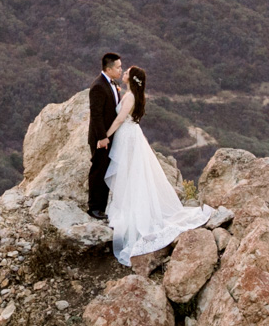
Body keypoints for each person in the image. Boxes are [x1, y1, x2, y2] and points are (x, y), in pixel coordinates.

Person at [103, 65, 214, 267]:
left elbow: (120, 119)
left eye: (127, 72)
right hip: (132, 135)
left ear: (132, 78)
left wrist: (105, 135)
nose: (124, 73)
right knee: (133, 175)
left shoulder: (129, 97)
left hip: (127, 137)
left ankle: (134, 214)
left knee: (130, 175)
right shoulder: (132, 95)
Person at [86, 52, 124, 219]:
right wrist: (102, 137)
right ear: (108, 69)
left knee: (106, 170)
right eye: (118, 67)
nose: (121, 70)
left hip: (110, 136)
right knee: (98, 170)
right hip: (101, 138)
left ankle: (102, 207)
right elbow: (96, 115)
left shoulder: (112, 83)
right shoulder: (98, 86)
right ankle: (94, 207)